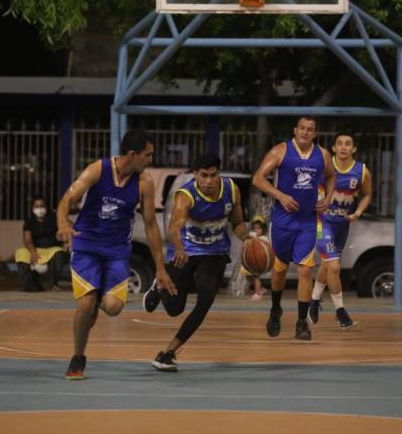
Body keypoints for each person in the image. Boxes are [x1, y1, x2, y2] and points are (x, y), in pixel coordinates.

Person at [56, 129, 176, 380]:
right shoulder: (97, 170)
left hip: (117, 251)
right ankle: (78, 356)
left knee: (113, 308)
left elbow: (151, 226)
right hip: (87, 245)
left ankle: (97, 296)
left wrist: (160, 268)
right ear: (132, 154)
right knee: (86, 304)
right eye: (147, 155)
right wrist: (63, 223)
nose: (150, 160)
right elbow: (68, 198)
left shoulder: (144, 183)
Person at [142, 153, 249, 371]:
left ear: (219, 173)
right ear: (196, 175)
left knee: (205, 299)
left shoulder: (231, 190)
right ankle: (159, 284)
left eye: (213, 175)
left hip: (215, 252)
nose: (208, 181)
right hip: (186, 251)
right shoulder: (186, 195)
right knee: (174, 309)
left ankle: (168, 353)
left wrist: (248, 239)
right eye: (204, 175)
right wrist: (180, 248)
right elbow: (174, 227)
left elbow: (237, 223)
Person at [252, 116, 334, 341]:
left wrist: (328, 198)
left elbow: (331, 177)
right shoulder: (280, 151)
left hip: (307, 222)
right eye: (302, 128)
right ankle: (275, 309)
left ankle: (301, 323)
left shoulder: (323, 155)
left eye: (310, 129)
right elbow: (258, 179)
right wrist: (280, 195)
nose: (305, 132)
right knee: (280, 269)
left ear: (315, 133)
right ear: (295, 130)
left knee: (306, 270)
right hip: (282, 221)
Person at [308, 132, 372, 329]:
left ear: (354, 149)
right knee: (334, 266)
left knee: (327, 265)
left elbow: (367, 195)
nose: (344, 147)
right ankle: (340, 312)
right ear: (334, 148)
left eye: (348, 144)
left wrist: (358, 212)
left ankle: (314, 301)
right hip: (322, 223)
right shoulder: (324, 167)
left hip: (342, 224)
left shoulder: (362, 171)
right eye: (340, 143)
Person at [14, 195, 68, 292]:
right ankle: (25, 284)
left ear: (46, 207)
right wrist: (33, 252)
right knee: (20, 253)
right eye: (37, 206)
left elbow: (68, 227)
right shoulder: (29, 221)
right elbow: (27, 240)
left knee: (59, 254)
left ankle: (53, 285)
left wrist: (66, 242)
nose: (40, 209)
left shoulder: (54, 218)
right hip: (36, 249)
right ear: (32, 208)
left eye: (42, 206)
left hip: (52, 249)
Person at [245, 218, 269, 300]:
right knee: (248, 276)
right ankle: (261, 289)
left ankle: (257, 294)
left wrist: (255, 238)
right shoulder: (251, 237)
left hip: (259, 260)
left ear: (263, 230)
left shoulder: (264, 238)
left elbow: (265, 246)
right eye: (254, 228)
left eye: (258, 228)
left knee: (256, 276)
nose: (256, 230)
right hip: (251, 260)